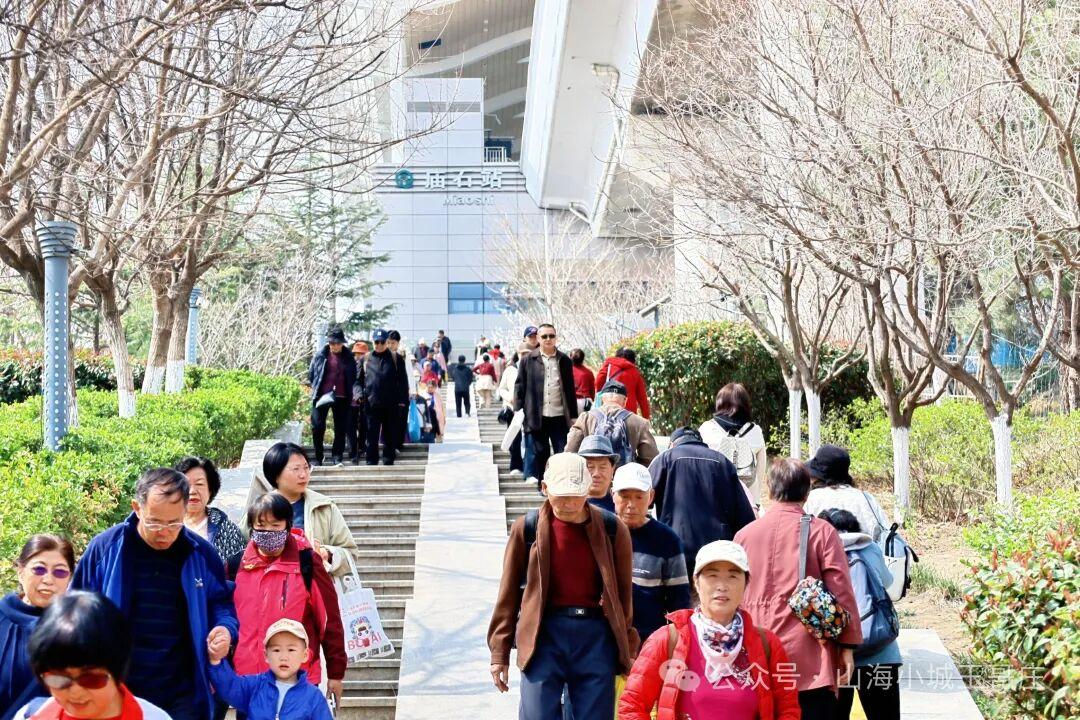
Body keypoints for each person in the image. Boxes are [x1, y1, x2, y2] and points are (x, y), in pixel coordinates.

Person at [71, 469, 238, 720]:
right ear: (137, 508)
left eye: (174, 523)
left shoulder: (201, 554)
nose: (164, 532)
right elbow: (72, 612)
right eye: (155, 522)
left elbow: (222, 603)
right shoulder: (106, 549)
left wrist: (225, 629)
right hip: (117, 689)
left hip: (182, 693)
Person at [488, 454, 637, 720]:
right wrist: (499, 653)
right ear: (545, 488)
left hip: (595, 635)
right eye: (561, 496)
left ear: (588, 489)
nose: (569, 504)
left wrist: (627, 649)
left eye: (576, 496)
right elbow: (508, 593)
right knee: (536, 714)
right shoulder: (527, 528)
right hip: (542, 633)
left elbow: (624, 597)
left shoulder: (612, 529)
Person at [733, 459, 862, 719]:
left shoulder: (744, 535)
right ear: (807, 491)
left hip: (756, 652)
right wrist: (847, 646)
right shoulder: (822, 532)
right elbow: (841, 591)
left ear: (770, 488)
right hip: (810, 657)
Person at [618, 541, 800, 720]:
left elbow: (789, 709)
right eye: (712, 575)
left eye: (733, 576)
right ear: (696, 582)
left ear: (746, 584)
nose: (722, 586)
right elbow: (631, 706)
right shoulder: (666, 639)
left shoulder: (768, 644)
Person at [230, 494, 345, 706]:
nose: (268, 532)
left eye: (275, 525)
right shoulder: (236, 565)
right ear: (251, 527)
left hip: (298, 681)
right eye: (261, 525)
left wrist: (336, 672)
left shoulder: (307, 562)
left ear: (288, 525)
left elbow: (329, 620)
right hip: (248, 682)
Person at [14, 591, 171, 720]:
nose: (75, 692)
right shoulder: (30, 716)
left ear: (118, 671)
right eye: (58, 680)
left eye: (91, 679)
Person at [818, 509, 902, 720]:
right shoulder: (870, 548)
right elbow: (889, 583)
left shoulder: (818, 552)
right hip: (880, 651)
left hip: (836, 658)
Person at [649, 427, 757, 574]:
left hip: (675, 548)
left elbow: (642, 499)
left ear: (672, 444)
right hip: (717, 552)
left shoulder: (665, 459)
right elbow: (745, 517)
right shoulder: (723, 462)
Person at [610, 464, 691, 642]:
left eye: (639, 497)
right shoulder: (602, 531)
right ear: (612, 495)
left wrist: (679, 642)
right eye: (625, 496)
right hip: (604, 639)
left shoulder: (667, 540)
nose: (631, 505)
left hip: (650, 641)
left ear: (651, 496)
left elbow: (679, 601)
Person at [1, 535, 75, 720]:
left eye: (60, 572)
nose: (48, 579)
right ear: (21, 572)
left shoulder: (79, 630)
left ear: (70, 578)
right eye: (39, 569)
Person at [257, 442, 357, 578]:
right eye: (296, 469)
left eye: (306, 467)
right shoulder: (259, 510)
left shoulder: (324, 507)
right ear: (276, 474)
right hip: (271, 587)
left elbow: (351, 553)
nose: (303, 474)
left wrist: (327, 554)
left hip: (314, 587)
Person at [207, 619, 333, 720]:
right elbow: (229, 687)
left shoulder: (314, 697)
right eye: (276, 650)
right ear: (266, 655)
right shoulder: (254, 686)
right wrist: (216, 661)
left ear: (305, 655)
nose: (283, 657)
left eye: (291, 650)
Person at [513, 323, 578, 486]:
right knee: (539, 453)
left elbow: (570, 389)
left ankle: (561, 484)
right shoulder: (528, 359)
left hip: (559, 416)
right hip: (536, 415)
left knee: (562, 452)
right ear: (538, 339)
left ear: (556, 338)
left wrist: (573, 415)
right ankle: (542, 486)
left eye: (551, 336)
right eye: (544, 336)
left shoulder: (564, 360)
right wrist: (518, 410)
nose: (548, 339)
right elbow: (519, 386)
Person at [698, 383, 768, 506]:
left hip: (714, 499)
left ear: (719, 403)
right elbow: (760, 469)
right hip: (747, 500)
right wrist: (756, 499)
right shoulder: (755, 431)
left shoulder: (707, 429)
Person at [803, 445, 890, 542]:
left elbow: (802, 535)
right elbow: (885, 533)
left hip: (824, 551)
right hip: (864, 550)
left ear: (817, 476)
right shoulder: (866, 498)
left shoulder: (811, 498)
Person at [565, 380, 658, 466]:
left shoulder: (585, 418)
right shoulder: (639, 422)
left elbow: (570, 451)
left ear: (602, 398)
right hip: (625, 476)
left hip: (593, 475)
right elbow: (650, 458)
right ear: (625, 401)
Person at [175, 457, 246, 566]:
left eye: (199, 484)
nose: (192, 491)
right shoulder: (163, 524)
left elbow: (241, 570)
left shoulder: (226, 529)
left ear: (210, 490)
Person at [307, 327, 357, 466]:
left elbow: (353, 376)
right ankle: (318, 457)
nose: (334, 346)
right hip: (321, 396)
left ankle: (337, 456)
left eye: (337, 343)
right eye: (332, 343)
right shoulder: (320, 355)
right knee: (317, 426)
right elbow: (311, 374)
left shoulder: (349, 358)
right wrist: (317, 387)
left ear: (342, 343)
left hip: (342, 397)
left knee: (340, 428)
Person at [364, 328, 409, 466]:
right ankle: (371, 460)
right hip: (371, 404)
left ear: (386, 342)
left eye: (382, 342)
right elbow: (357, 381)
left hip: (391, 404)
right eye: (376, 342)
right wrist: (359, 393)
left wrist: (402, 401)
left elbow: (403, 382)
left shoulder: (396, 359)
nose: (379, 345)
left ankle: (388, 460)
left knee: (389, 434)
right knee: (372, 434)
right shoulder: (366, 358)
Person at [497, 343, 531, 477]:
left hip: (530, 409)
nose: (525, 356)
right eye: (523, 354)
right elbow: (501, 388)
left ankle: (529, 467)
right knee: (515, 438)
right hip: (513, 409)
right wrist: (509, 397)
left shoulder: (535, 368)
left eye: (528, 353)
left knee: (530, 439)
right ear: (518, 354)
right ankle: (515, 465)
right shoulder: (510, 370)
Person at [593, 347, 650, 419]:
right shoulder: (635, 372)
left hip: (609, 410)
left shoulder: (608, 366)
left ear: (617, 355)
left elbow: (598, 383)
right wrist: (646, 417)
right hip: (628, 414)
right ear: (632, 359)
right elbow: (642, 398)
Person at [574, 435, 619, 513]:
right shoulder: (568, 506)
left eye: (602, 467)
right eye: (590, 467)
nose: (596, 474)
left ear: (613, 469)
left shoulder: (621, 507)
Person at [347, 341, 369, 464]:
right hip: (349, 402)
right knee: (350, 428)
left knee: (364, 426)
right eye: (357, 353)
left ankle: (361, 447)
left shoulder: (369, 367)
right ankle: (352, 453)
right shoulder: (348, 365)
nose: (359, 356)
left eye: (361, 354)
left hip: (364, 401)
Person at [568, 349, 595, 414]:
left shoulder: (566, 371)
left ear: (570, 358)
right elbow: (592, 390)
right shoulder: (588, 372)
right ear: (583, 359)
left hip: (571, 401)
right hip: (586, 402)